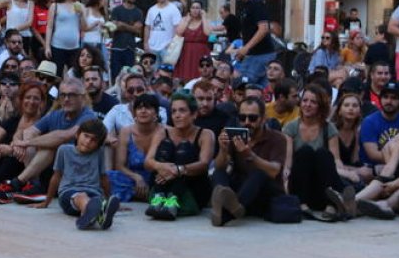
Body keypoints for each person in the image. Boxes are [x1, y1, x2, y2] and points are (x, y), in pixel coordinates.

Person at [210, 97, 288, 226]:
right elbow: (220, 166)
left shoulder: (277, 138)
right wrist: (223, 150)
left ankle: (225, 215)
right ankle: (233, 206)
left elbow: (274, 171)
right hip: (242, 189)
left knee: (259, 174)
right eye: (242, 118)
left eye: (252, 118)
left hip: (266, 193)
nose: (246, 122)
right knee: (218, 173)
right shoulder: (235, 136)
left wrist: (250, 154)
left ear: (263, 119)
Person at [282, 85, 355, 221]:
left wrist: (346, 173)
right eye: (305, 101)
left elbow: (336, 160)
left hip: (322, 186)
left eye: (313, 102)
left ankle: (332, 204)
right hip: (300, 184)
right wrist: (285, 175)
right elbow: (288, 161)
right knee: (305, 151)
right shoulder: (290, 127)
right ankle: (302, 205)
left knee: (323, 153)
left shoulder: (329, 128)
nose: (307, 105)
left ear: (320, 106)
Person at [33, 119, 121, 230]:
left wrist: (109, 199)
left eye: (94, 140)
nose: (88, 141)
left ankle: (99, 214)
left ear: (98, 144)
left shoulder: (98, 153)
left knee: (97, 200)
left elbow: (103, 177)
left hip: (93, 193)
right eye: (86, 136)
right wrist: (47, 201)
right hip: (69, 193)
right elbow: (56, 176)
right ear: (77, 134)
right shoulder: (64, 150)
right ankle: (88, 213)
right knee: (81, 197)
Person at [143, 92, 214, 220]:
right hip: (162, 187)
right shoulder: (163, 132)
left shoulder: (206, 134)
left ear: (194, 114)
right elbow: (148, 162)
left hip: (191, 191)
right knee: (166, 145)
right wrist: (163, 167)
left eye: (182, 111)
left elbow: (204, 164)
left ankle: (172, 201)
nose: (177, 115)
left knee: (185, 147)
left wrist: (179, 170)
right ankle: (159, 199)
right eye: (174, 111)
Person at [107, 93, 163, 203]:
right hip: (132, 179)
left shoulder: (165, 131)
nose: (143, 111)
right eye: (139, 108)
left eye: (147, 107)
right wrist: (137, 177)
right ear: (134, 114)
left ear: (156, 112)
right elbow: (120, 166)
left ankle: (144, 194)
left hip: (157, 179)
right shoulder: (126, 132)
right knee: (108, 176)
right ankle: (141, 194)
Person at [231, 0, 276, 86]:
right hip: (254, 54)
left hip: (260, 54)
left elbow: (263, 28)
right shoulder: (247, 4)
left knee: (242, 85)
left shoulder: (257, 3)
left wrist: (246, 48)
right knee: (258, 88)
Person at [46, 0, 85, 76]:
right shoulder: (55, 6)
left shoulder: (79, 6)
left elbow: (83, 27)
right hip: (57, 46)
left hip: (74, 47)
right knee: (57, 75)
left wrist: (82, 14)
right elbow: (49, 27)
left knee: (75, 74)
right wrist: (47, 46)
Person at [109, 0, 143, 80]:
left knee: (129, 77)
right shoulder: (117, 10)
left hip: (130, 48)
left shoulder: (138, 12)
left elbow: (138, 30)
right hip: (117, 48)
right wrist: (131, 27)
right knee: (115, 76)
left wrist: (122, 25)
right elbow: (114, 27)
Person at [143, 0, 182, 64]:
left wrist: (171, 44)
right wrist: (146, 43)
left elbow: (177, 28)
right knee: (151, 73)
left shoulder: (173, 9)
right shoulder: (151, 10)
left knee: (166, 74)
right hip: (152, 47)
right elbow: (147, 27)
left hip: (167, 48)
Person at [173, 0, 210, 82]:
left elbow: (207, 33)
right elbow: (179, 32)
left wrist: (204, 17)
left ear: (201, 10)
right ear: (189, 9)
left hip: (201, 52)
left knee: (200, 77)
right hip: (186, 52)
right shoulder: (184, 19)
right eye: (193, 8)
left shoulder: (204, 20)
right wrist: (187, 21)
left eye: (197, 8)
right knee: (186, 76)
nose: (195, 10)